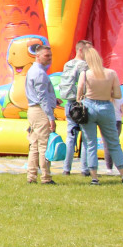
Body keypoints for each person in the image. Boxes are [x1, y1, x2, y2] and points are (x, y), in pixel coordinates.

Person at [76, 46, 123, 185]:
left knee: (90, 143)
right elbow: (117, 95)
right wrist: (106, 93)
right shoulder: (111, 73)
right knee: (113, 143)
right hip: (106, 107)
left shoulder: (85, 74)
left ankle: (94, 177)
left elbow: (79, 94)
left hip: (89, 107)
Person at [25, 44, 58, 184]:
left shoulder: (33, 71)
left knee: (34, 144)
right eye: (46, 56)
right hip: (40, 111)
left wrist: (54, 99)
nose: (49, 59)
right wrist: (51, 117)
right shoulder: (40, 73)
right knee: (44, 144)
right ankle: (46, 176)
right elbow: (42, 97)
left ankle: (31, 176)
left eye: (50, 56)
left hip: (33, 109)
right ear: (37, 56)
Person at [58, 40, 90, 175]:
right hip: (81, 103)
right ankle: (84, 169)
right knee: (86, 136)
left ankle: (66, 168)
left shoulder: (68, 64)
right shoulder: (84, 65)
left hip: (69, 104)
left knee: (71, 136)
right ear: (81, 50)